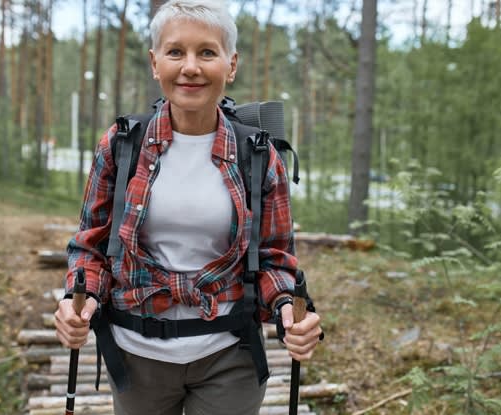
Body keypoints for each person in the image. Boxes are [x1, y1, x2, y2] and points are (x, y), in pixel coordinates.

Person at [54, 1, 322, 414]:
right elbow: (91, 246)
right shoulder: (122, 145)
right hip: (136, 355)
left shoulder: (258, 154)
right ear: (154, 63)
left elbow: (275, 258)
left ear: (231, 65)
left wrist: (289, 309)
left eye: (207, 52)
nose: (191, 67)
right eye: (176, 52)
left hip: (230, 353)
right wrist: (81, 296)